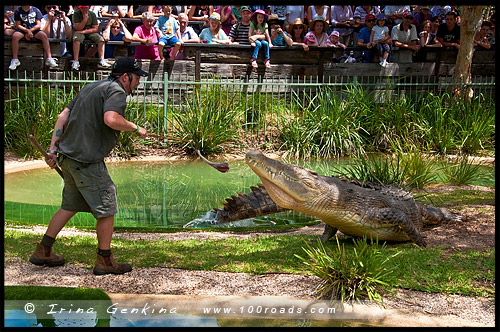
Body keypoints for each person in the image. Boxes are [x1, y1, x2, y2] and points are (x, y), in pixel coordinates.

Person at [29, 57, 149, 275]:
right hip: (86, 162)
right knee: (107, 207)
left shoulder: (91, 87)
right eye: (137, 78)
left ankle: (43, 250)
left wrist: (53, 150)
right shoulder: (116, 91)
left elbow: (62, 116)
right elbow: (111, 119)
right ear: (125, 77)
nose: (139, 83)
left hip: (67, 158)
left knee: (69, 206)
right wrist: (134, 127)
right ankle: (105, 260)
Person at [8, 5, 58, 70]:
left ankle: (49, 57)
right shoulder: (18, 11)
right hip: (23, 30)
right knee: (15, 36)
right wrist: (27, 31)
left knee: (44, 36)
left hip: (34, 30)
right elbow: (18, 25)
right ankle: (15, 59)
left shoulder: (36, 10)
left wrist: (30, 31)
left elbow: (38, 25)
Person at [71, 5, 111, 71]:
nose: (84, 8)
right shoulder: (76, 14)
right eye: (82, 7)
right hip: (79, 31)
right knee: (76, 39)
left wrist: (83, 32)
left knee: (100, 39)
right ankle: (76, 61)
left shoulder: (92, 14)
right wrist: (84, 20)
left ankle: (102, 60)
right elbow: (77, 27)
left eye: (85, 7)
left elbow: (95, 28)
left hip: (88, 31)